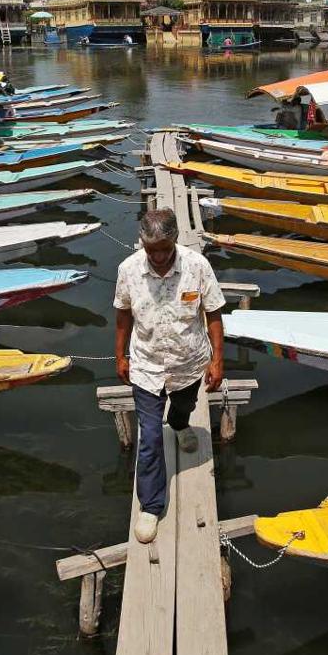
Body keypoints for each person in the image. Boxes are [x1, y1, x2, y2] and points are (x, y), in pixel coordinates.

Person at [114, 209, 226, 544]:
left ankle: (179, 426)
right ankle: (151, 505)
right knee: (148, 439)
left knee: (183, 408)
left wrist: (218, 360)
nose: (159, 257)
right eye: (152, 250)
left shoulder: (197, 266)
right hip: (146, 365)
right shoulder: (128, 270)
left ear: (175, 239)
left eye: (165, 248)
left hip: (188, 362)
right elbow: (122, 314)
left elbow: (214, 312)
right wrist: (120, 356)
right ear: (142, 244)